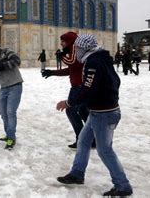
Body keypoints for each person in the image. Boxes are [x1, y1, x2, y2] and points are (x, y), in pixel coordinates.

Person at [56, 34, 133, 197]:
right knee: (84, 141)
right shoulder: (101, 59)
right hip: (99, 111)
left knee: (105, 150)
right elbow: (116, 81)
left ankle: (123, 186)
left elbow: (87, 88)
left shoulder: (93, 63)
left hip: (103, 114)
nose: (75, 52)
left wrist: (69, 102)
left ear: (84, 48)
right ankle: (77, 174)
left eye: (77, 48)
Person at [42, 32, 90, 149]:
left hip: (79, 87)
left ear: (69, 41)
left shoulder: (75, 47)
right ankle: (91, 139)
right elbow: (71, 70)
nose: (61, 44)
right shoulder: (75, 50)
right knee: (84, 113)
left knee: (71, 111)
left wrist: (62, 56)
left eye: (63, 41)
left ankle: (82, 140)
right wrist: (52, 72)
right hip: (81, 86)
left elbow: (72, 62)